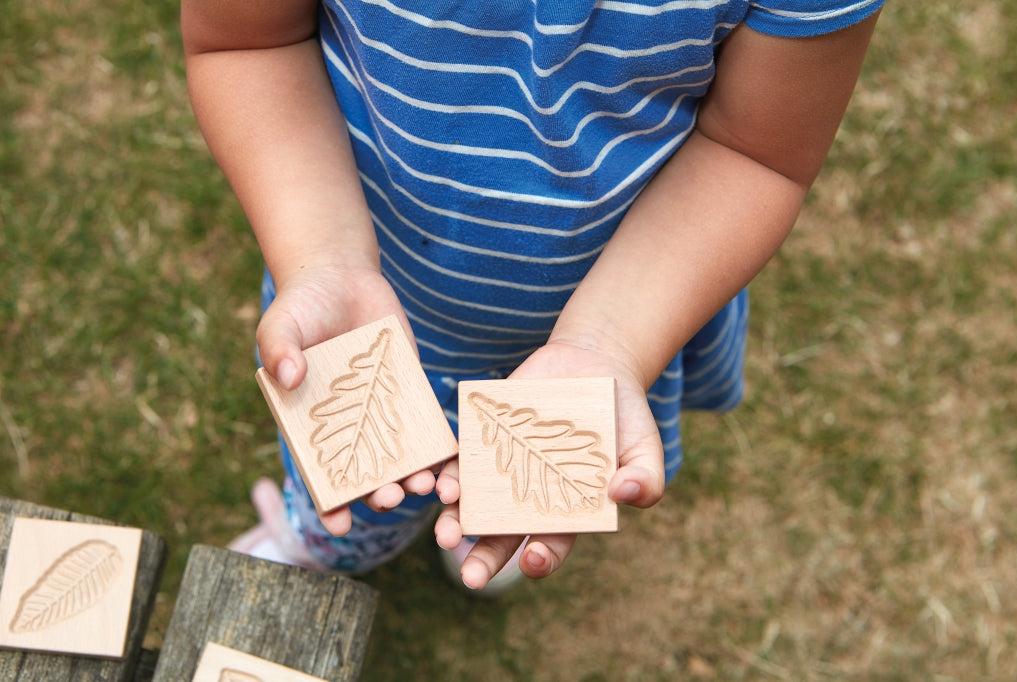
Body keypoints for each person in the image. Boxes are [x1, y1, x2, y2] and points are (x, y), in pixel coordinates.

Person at [181, 0, 884, 593]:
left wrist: (608, 342)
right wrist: (324, 256)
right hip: (369, 289)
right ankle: (335, 546)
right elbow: (247, 41)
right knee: (358, 484)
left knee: (516, 478)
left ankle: (489, 512)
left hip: (628, 300)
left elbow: (755, 151)